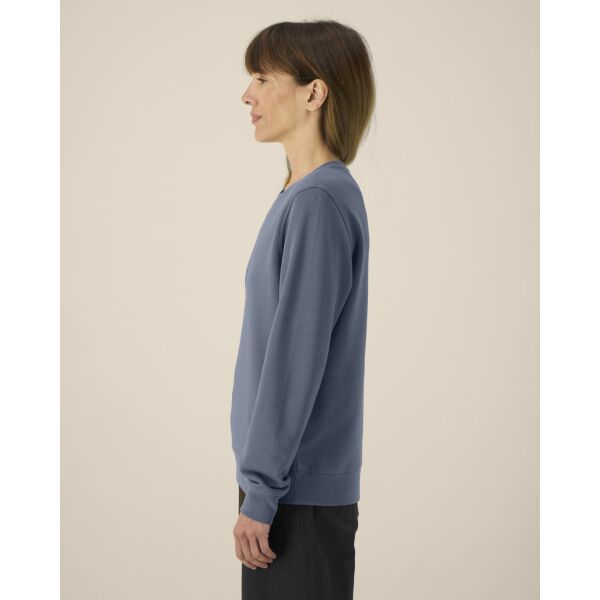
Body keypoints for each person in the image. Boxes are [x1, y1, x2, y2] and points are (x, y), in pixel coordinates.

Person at [231, 19, 375, 600]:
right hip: (288, 487)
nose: (248, 95)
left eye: (263, 79)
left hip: (294, 495)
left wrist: (262, 491)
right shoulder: (305, 193)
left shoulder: (317, 201)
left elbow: (295, 359)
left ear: (314, 93)